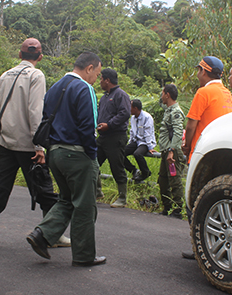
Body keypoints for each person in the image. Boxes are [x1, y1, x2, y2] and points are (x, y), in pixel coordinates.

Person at [0, 38, 69, 252]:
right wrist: (39, 146)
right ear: (40, 57)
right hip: (28, 145)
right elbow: (35, 112)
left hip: (5, 142)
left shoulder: (5, 75)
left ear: (20, 55)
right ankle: (54, 234)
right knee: (45, 190)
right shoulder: (36, 75)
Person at [26, 52, 106, 267]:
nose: (96, 80)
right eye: (97, 74)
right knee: (85, 206)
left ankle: (41, 235)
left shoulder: (54, 88)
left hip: (56, 153)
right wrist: (92, 155)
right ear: (89, 68)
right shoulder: (84, 88)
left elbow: (45, 119)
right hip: (77, 154)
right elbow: (88, 127)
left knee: (67, 200)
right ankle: (84, 256)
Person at [182, 56, 232, 163]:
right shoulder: (227, 93)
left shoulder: (203, 92)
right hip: (221, 150)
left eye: (198, 70)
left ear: (203, 71)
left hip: (202, 151)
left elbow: (191, 125)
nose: (197, 74)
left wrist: (187, 146)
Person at [96, 68, 132, 208]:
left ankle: (122, 197)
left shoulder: (120, 95)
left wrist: (109, 125)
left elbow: (125, 113)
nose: (100, 82)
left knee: (116, 166)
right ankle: (97, 191)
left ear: (107, 80)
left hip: (115, 136)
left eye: (101, 79)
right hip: (102, 137)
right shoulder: (105, 96)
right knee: (92, 162)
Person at [157, 84, 186, 219]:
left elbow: (178, 132)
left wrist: (171, 150)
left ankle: (178, 209)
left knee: (174, 180)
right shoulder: (168, 109)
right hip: (165, 150)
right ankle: (167, 206)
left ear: (167, 95)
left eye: (162, 93)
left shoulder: (175, 112)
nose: (161, 96)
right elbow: (160, 102)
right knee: (163, 180)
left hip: (171, 151)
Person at [124, 99, 156, 183]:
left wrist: (149, 147)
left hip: (145, 142)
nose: (128, 109)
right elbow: (132, 131)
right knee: (120, 153)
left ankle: (145, 172)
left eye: (130, 107)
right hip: (136, 141)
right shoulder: (133, 118)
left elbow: (148, 133)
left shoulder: (147, 117)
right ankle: (134, 170)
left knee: (137, 154)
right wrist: (130, 143)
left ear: (135, 108)